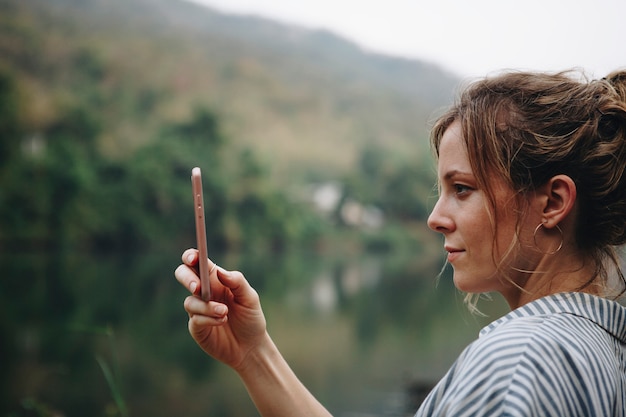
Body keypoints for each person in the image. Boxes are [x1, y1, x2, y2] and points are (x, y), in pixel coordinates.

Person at [175, 69, 626, 416]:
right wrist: (254, 354)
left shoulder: (519, 363)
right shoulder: (600, 347)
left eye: (462, 189)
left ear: (553, 201)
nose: (435, 218)